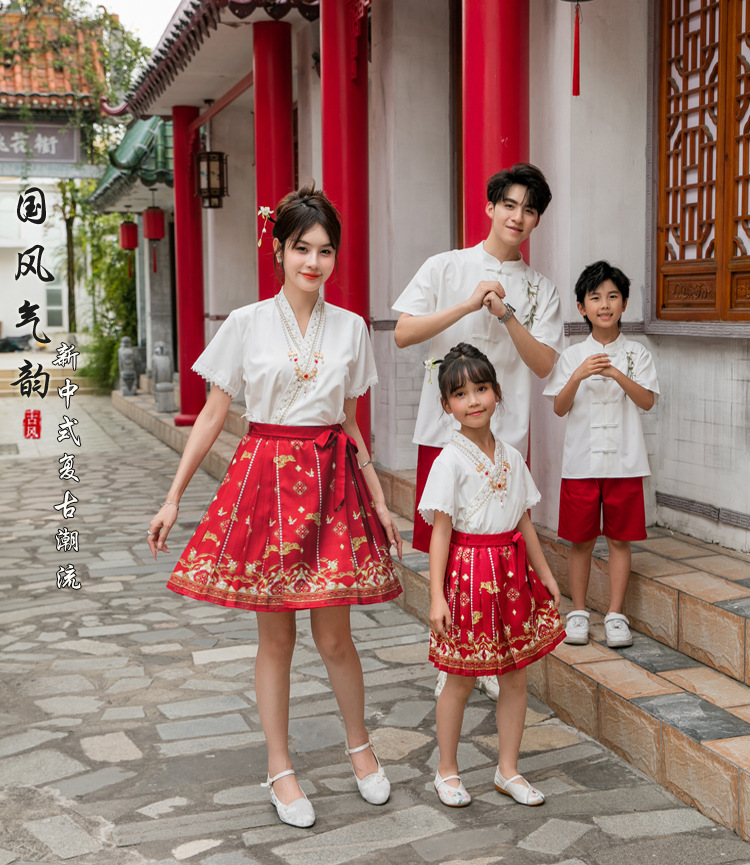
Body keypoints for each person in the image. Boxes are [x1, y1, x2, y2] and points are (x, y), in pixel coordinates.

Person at [147, 184, 403, 829]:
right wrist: (173, 497)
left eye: (325, 250)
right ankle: (280, 767)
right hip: (266, 480)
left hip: (332, 483)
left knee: (336, 636)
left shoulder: (351, 328)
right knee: (277, 637)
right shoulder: (245, 323)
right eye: (301, 248)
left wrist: (379, 499)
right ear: (279, 250)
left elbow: (350, 423)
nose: (313, 262)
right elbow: (214, 414)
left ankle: (361, 749)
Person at [393, 162, 564, 700]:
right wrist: (469, 304)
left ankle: (490, 651)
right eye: (509, 204)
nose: (517, 216)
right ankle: (450, 646)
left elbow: (544, 364)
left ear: (537, 221)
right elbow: (403, 333)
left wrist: (507, 314)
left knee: (500, 545)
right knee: (447, 543)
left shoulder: (541, 290)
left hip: (505, 438)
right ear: (489, 206)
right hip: (443, 433)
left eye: (529, 210)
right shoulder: (445, 267)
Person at [419, 343, 564, 808]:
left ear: (497, 393)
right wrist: (437, 596)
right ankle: (447, 770)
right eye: (460, 394)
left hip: (511, 573)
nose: (474, 401)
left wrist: (545, 574)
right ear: (447, 406)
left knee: (516, 675)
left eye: (481, 389)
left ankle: (508, 770)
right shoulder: (449, 461)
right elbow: (441, 533)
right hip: (468, 574)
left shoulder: (512, 457)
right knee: (461, 677)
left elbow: (523, 520)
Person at [543, 261, 659, 648]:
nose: (604, 305)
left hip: (625, 464)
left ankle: (615, 615)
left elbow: (647, 402)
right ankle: (578, 612)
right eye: (595, 298)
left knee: (620, 541)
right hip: (581, 464)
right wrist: (578, 375)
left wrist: (615, 374)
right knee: (580, 541)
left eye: (613, 296)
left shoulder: (637, 354)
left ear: (624, 303)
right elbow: (559, 408)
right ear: (582, 307)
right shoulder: (572, 356)